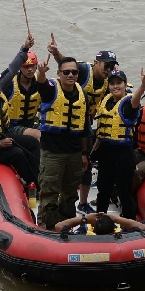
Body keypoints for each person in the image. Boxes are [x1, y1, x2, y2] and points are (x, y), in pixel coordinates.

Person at [47, 33, 118, 214]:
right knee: (72, 163)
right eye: (105, 65)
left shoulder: (109, 80)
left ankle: (85, 201)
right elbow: (66, 64)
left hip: (85, 126)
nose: (108, 69)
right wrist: (55, 53)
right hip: (68, 126)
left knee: (91, 161)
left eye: (111, 66)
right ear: (96, 63)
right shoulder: (83, 71)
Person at [34, 56, 91, 228]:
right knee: (49, 193)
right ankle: (48, 226)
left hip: (74, 153)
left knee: (70, 193)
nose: (70, 75)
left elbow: (85, 128)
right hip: (52, 153)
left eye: (74, 72)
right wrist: (41, 72)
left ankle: (67, 224)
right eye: (66, 72)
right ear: (59, 74)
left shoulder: (83, 96)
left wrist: (84, 154)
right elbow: (42, 85)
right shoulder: (52, 90)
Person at [93, 68, 145, 219]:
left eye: (119, 83)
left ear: (125, 85)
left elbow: (135, 102)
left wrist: (143, 85)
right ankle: (100, 219)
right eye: (112, 83)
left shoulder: (128, 104)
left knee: (124, 191)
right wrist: (93, 150)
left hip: (123, 154)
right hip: (105, 152)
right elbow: (102, 130)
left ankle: (129, 221)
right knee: (103, 190)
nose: (115, 86)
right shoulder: (107, 101)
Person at [0, 33, 41, 140]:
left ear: (36, 66)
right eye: (26, 67)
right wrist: (25, 47)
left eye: (32, 66)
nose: (30, 69)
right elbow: (11, 68)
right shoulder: (8, 84)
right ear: (20, 67)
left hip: (31, 123)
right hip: (11, 127)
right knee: (38, 135)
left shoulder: (41, 82)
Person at [53, 212, 145, 234]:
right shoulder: (121, 235)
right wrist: (116, 218)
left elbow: (58, 226)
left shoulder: (81, 235)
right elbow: (143, 226)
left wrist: (85, 218)